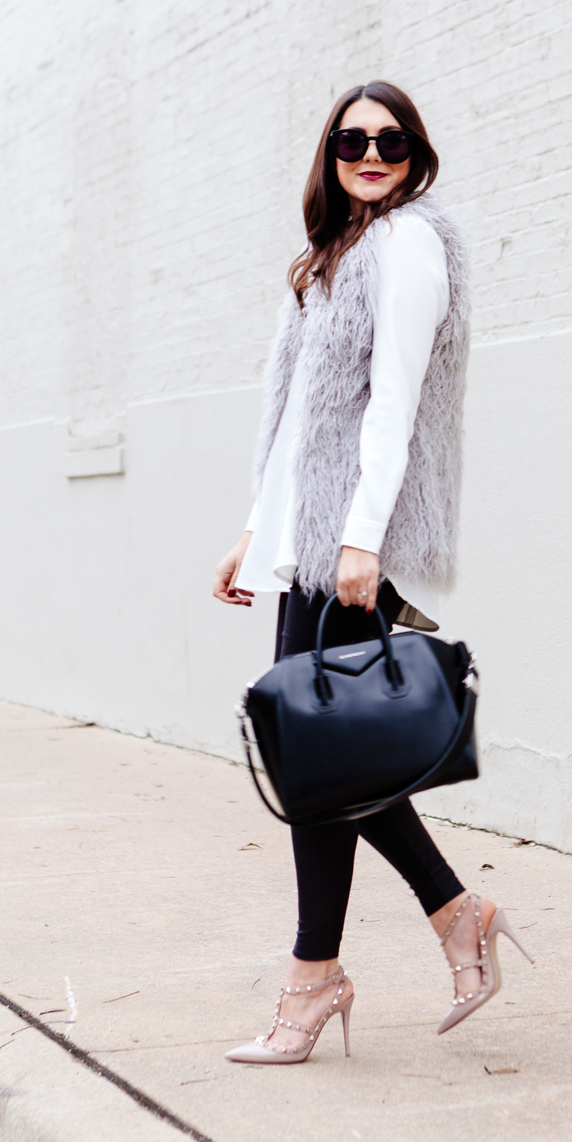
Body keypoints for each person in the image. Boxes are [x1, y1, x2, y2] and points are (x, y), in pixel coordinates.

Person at [213, 81, 529, 1064]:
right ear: (331, 152)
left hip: (352, 540)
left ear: (414, 150)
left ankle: (316, 982)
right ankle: (451, 915)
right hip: (306, 539)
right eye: (353, 138)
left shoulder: (408, 245)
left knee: (320, 755)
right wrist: (253, 534)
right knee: (324, 757)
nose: (372, 151)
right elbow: (301, 421)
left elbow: (389, 407)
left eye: (390, 138)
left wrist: (361, 540)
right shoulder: (327, 257)